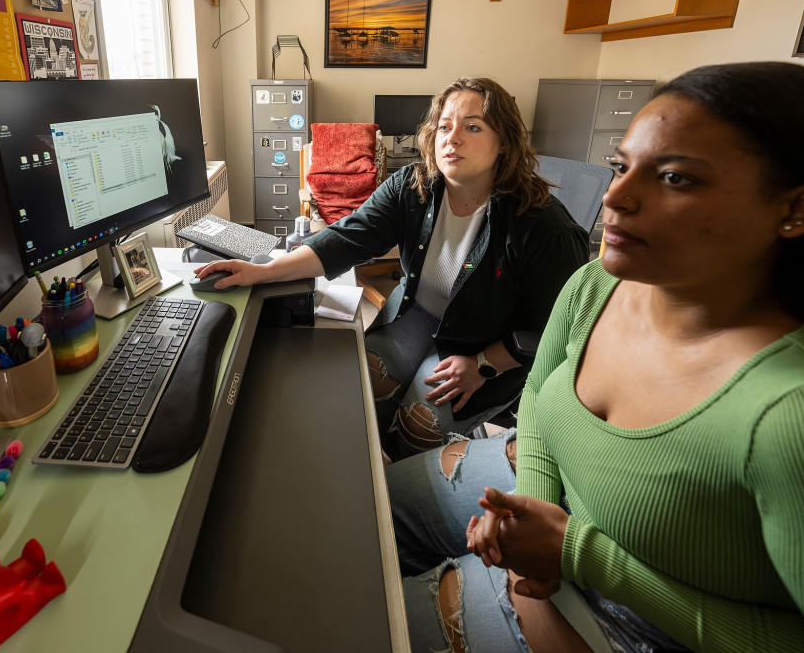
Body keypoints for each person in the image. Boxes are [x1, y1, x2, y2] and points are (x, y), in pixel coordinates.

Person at [389, 61, 804, 652]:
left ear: (798, 209)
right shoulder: (595, 286)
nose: (614, 198)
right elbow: (539, 400)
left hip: (627, 617)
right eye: (621, 167)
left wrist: (574, 557)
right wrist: (530, 512)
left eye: (676, 178)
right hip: (546, 493)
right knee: (371, 509)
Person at [194, 76, 588, 460]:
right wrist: (260, 271)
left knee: (418, 426)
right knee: (358, 387)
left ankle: (401, 504)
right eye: (445, 126)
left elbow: (552, 328)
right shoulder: (413, 186)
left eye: (473, 127)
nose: (453, 138)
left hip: (485, 347)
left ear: (504, 143)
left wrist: (483, 366)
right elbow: (347, 238)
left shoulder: (541, 225)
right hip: (416, 315)